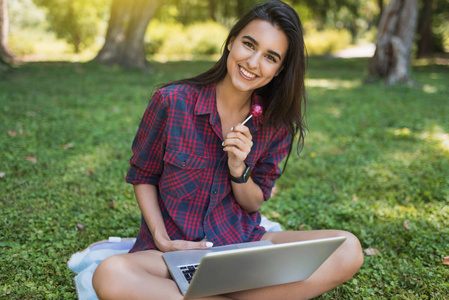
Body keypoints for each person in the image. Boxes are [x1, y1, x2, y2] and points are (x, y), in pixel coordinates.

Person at [92, 1, 363, 299]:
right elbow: (143, 174)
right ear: (231, 41)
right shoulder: (172, 101)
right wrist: (162, 239)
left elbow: (253, 202)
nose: (253, 62)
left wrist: (238, 170)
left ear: (279, 69)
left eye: (270, 57)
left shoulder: (275, 125)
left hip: (240, 247)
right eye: (249, 44)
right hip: (174, 254)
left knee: (347, 247)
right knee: (111, 274)